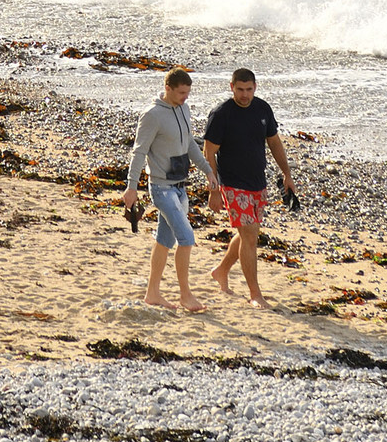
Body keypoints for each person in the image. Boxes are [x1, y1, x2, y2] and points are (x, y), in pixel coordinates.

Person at [121, 68, 216, 313]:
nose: (186, 97)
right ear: (168, 88)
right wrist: (131, 188)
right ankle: (185, 295)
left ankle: (152, 293)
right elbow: (139, 152)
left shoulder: (184, 109)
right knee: (187, 239)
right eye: (182, 93)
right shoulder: (152, 115)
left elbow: (189, 145)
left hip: (180, 186)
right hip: (161, 189)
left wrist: (208, 171)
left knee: (164, 241)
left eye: (188, 93)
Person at [201, 67, 295, 305]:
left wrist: (287, 174)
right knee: (251, 237)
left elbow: (274, 142)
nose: (245, 95)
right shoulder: (221, 114)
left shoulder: (262, 109)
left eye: (249, 89)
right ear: (232, 87)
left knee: (247, 233)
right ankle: (255, 294)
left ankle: (221, 271)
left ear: (255, 87)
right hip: (232, 183)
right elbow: (208, 152)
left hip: (257, 181)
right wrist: (214, 189)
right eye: (240, 90)